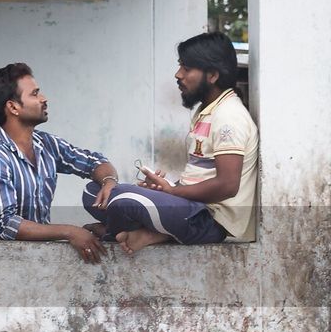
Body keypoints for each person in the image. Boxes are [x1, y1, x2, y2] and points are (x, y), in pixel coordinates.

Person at [83, 32, 256, 255]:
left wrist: (173, 193)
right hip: (191, 208)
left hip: (209, 220)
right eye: (180, 67)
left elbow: (227, 185)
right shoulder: (207, 111)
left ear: (212, 75)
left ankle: (119, 232)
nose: (178, 75)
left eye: (186, 68)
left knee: (125, 199)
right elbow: (202, 178)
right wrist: (167, 187)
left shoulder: (229, 116)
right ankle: (151, 232)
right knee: (94, 191)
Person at [0, 63, 119, 264]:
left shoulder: (46, 144)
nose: (44, 99)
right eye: (35, 94)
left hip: (39, 260)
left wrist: (109, 182)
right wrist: (70, 232)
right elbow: (5, 225)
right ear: (13, 107)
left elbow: (95, 162)